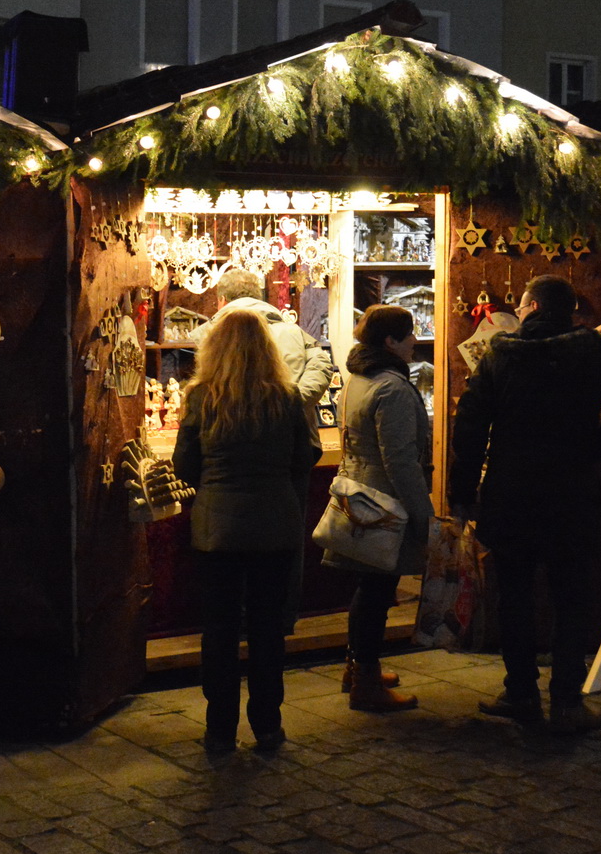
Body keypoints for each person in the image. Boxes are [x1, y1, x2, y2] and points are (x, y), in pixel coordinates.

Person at [450, 274, 601, 733]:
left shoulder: (498, 356)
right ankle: (567, 701)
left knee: (515, 596)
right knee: (571, 598)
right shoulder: (589, 354)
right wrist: (593, 444)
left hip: (511, 494)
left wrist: (462, 495)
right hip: (571, 494)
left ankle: (521, 692)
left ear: (530, 307)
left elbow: (469, 430)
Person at [172, 309, 323, 753]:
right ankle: (267, 725)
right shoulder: (286, 397)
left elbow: (185, 465)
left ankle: (219, 730)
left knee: (218, 630)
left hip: (216, 527)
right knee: (267, 628)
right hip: (275, 524)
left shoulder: (202, 397)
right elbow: (307, 454)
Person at [325, 304, 433, 712]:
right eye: (408, 335)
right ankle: (366, 681)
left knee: (367, 589)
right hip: (385, 504)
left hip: (359, 492)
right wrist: (422, 515)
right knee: (377, 591)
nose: (414, 341)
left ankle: (358, 667)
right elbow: (401, 460)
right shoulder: (393, 388)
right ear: (390, 341)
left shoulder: (358, 379)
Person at [192, 268, 336, 404]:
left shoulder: (204, 335)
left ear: (222, 300)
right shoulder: (296, 332)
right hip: (291, 428)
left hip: (225, 427)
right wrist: (293, 402)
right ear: (258, 298)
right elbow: (322, 366)